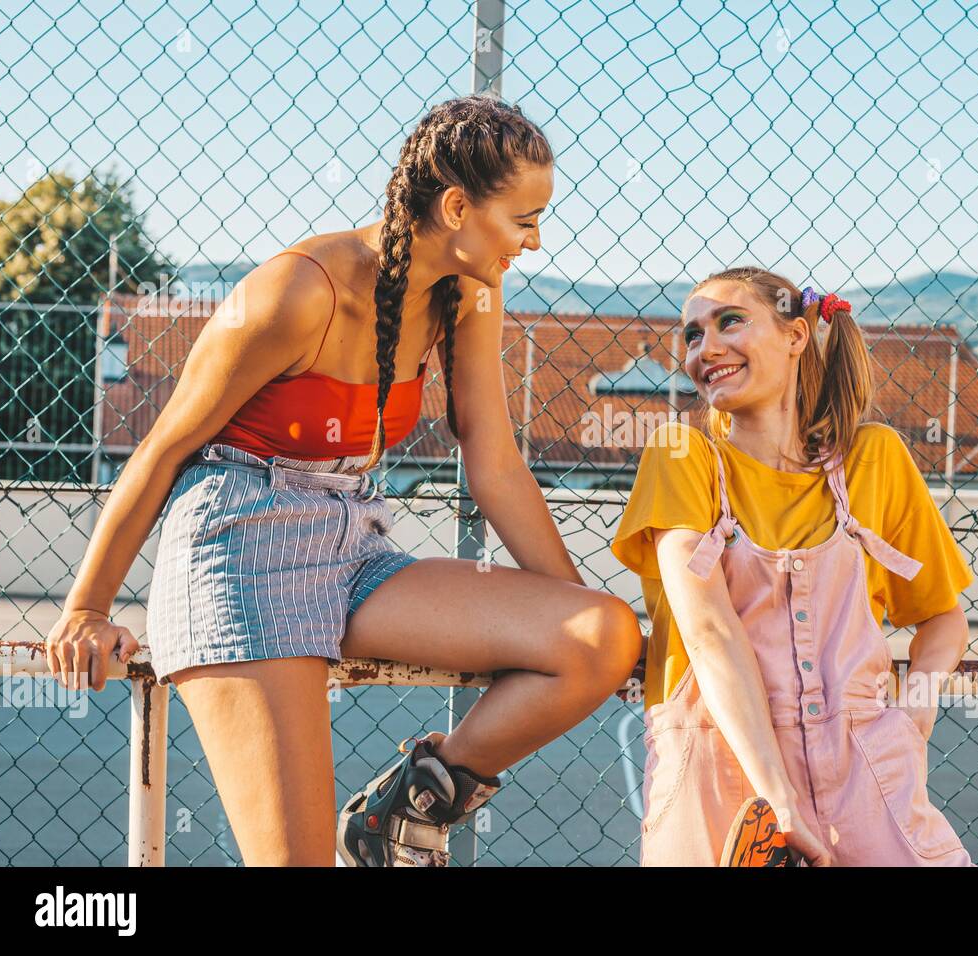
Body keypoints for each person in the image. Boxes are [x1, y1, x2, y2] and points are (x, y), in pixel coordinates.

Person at [45, 94, 642, 867]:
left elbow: (492, 459)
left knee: (601, 637)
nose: (535, 240)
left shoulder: (471, 293)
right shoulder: (299, 288)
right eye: (524, 219)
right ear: (457, 206)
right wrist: (88, 606)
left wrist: (569, 600)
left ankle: (406, 810)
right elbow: (164, 447)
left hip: (352, 543)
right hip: (238, 549)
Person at [611, 267, 975, 866]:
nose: (707, 348)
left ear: (796, 337)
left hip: (865, 769)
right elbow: (706, 630)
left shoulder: (874, 458)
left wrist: (914, 715)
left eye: (730, 321)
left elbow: (943, 618)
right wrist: (776, 795)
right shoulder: (682, 453)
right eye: (693, 335)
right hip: (717, 770)